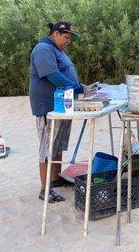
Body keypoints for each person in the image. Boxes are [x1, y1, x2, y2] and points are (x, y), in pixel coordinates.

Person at [29, 22, 84, 203]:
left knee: (58, 143)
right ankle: (45, 190)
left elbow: (65, 73)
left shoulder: (57, 50)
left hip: (61, 104)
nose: (68, 41)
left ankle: (55, 178)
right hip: (48, 106)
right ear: (56, 33)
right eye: (66, 37)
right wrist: (75, 87)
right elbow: (52, 74)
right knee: (47, 146)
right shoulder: (43, 49)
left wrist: (81, 87)